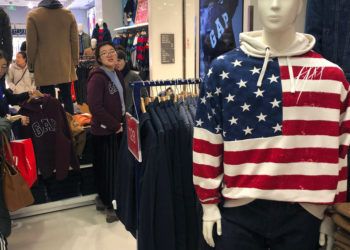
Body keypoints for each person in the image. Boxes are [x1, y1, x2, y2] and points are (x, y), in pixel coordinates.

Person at [193, 0, 350, 249]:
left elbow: (341, 153)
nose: (275, 5)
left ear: (300, 6)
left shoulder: (332, 77)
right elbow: (207, 139)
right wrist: (208, 203)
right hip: (238, 210)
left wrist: (331, 213)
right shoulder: (223, 70)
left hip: (305, 212)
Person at [87, 41, 125, 223]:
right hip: (104, 132)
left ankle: (106, 199)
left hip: (115, 129)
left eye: (112, 51)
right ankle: (111, 206)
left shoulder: (116, 72)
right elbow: (96, 107)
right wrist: (115, 125)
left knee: (111, 169)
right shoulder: (97, 78)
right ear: (99, 59)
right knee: (108, 170)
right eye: (104, 53)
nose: (110, 55)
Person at [26, 0, 79, 115]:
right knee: (67, 98)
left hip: (44, 65)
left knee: (47, 100)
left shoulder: (33, 16)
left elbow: (31, 45)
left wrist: (31, 66)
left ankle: (52, 128)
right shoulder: (68, 15)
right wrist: (75, 62)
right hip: (65, 64)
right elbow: (74, 41)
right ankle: (70, 128)